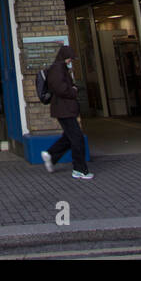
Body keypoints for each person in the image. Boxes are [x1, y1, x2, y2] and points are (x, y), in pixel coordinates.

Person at [40, 44, 92, 180]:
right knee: (77, 138)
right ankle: (79, 169)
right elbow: (60, 89)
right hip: (64, 109)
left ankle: (51, 155)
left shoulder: (60, 68)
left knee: (70, 137)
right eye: (69, 58)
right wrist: (73, 91)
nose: (70, 61)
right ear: (64, 57)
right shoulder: (57, 69)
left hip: (64, 109)